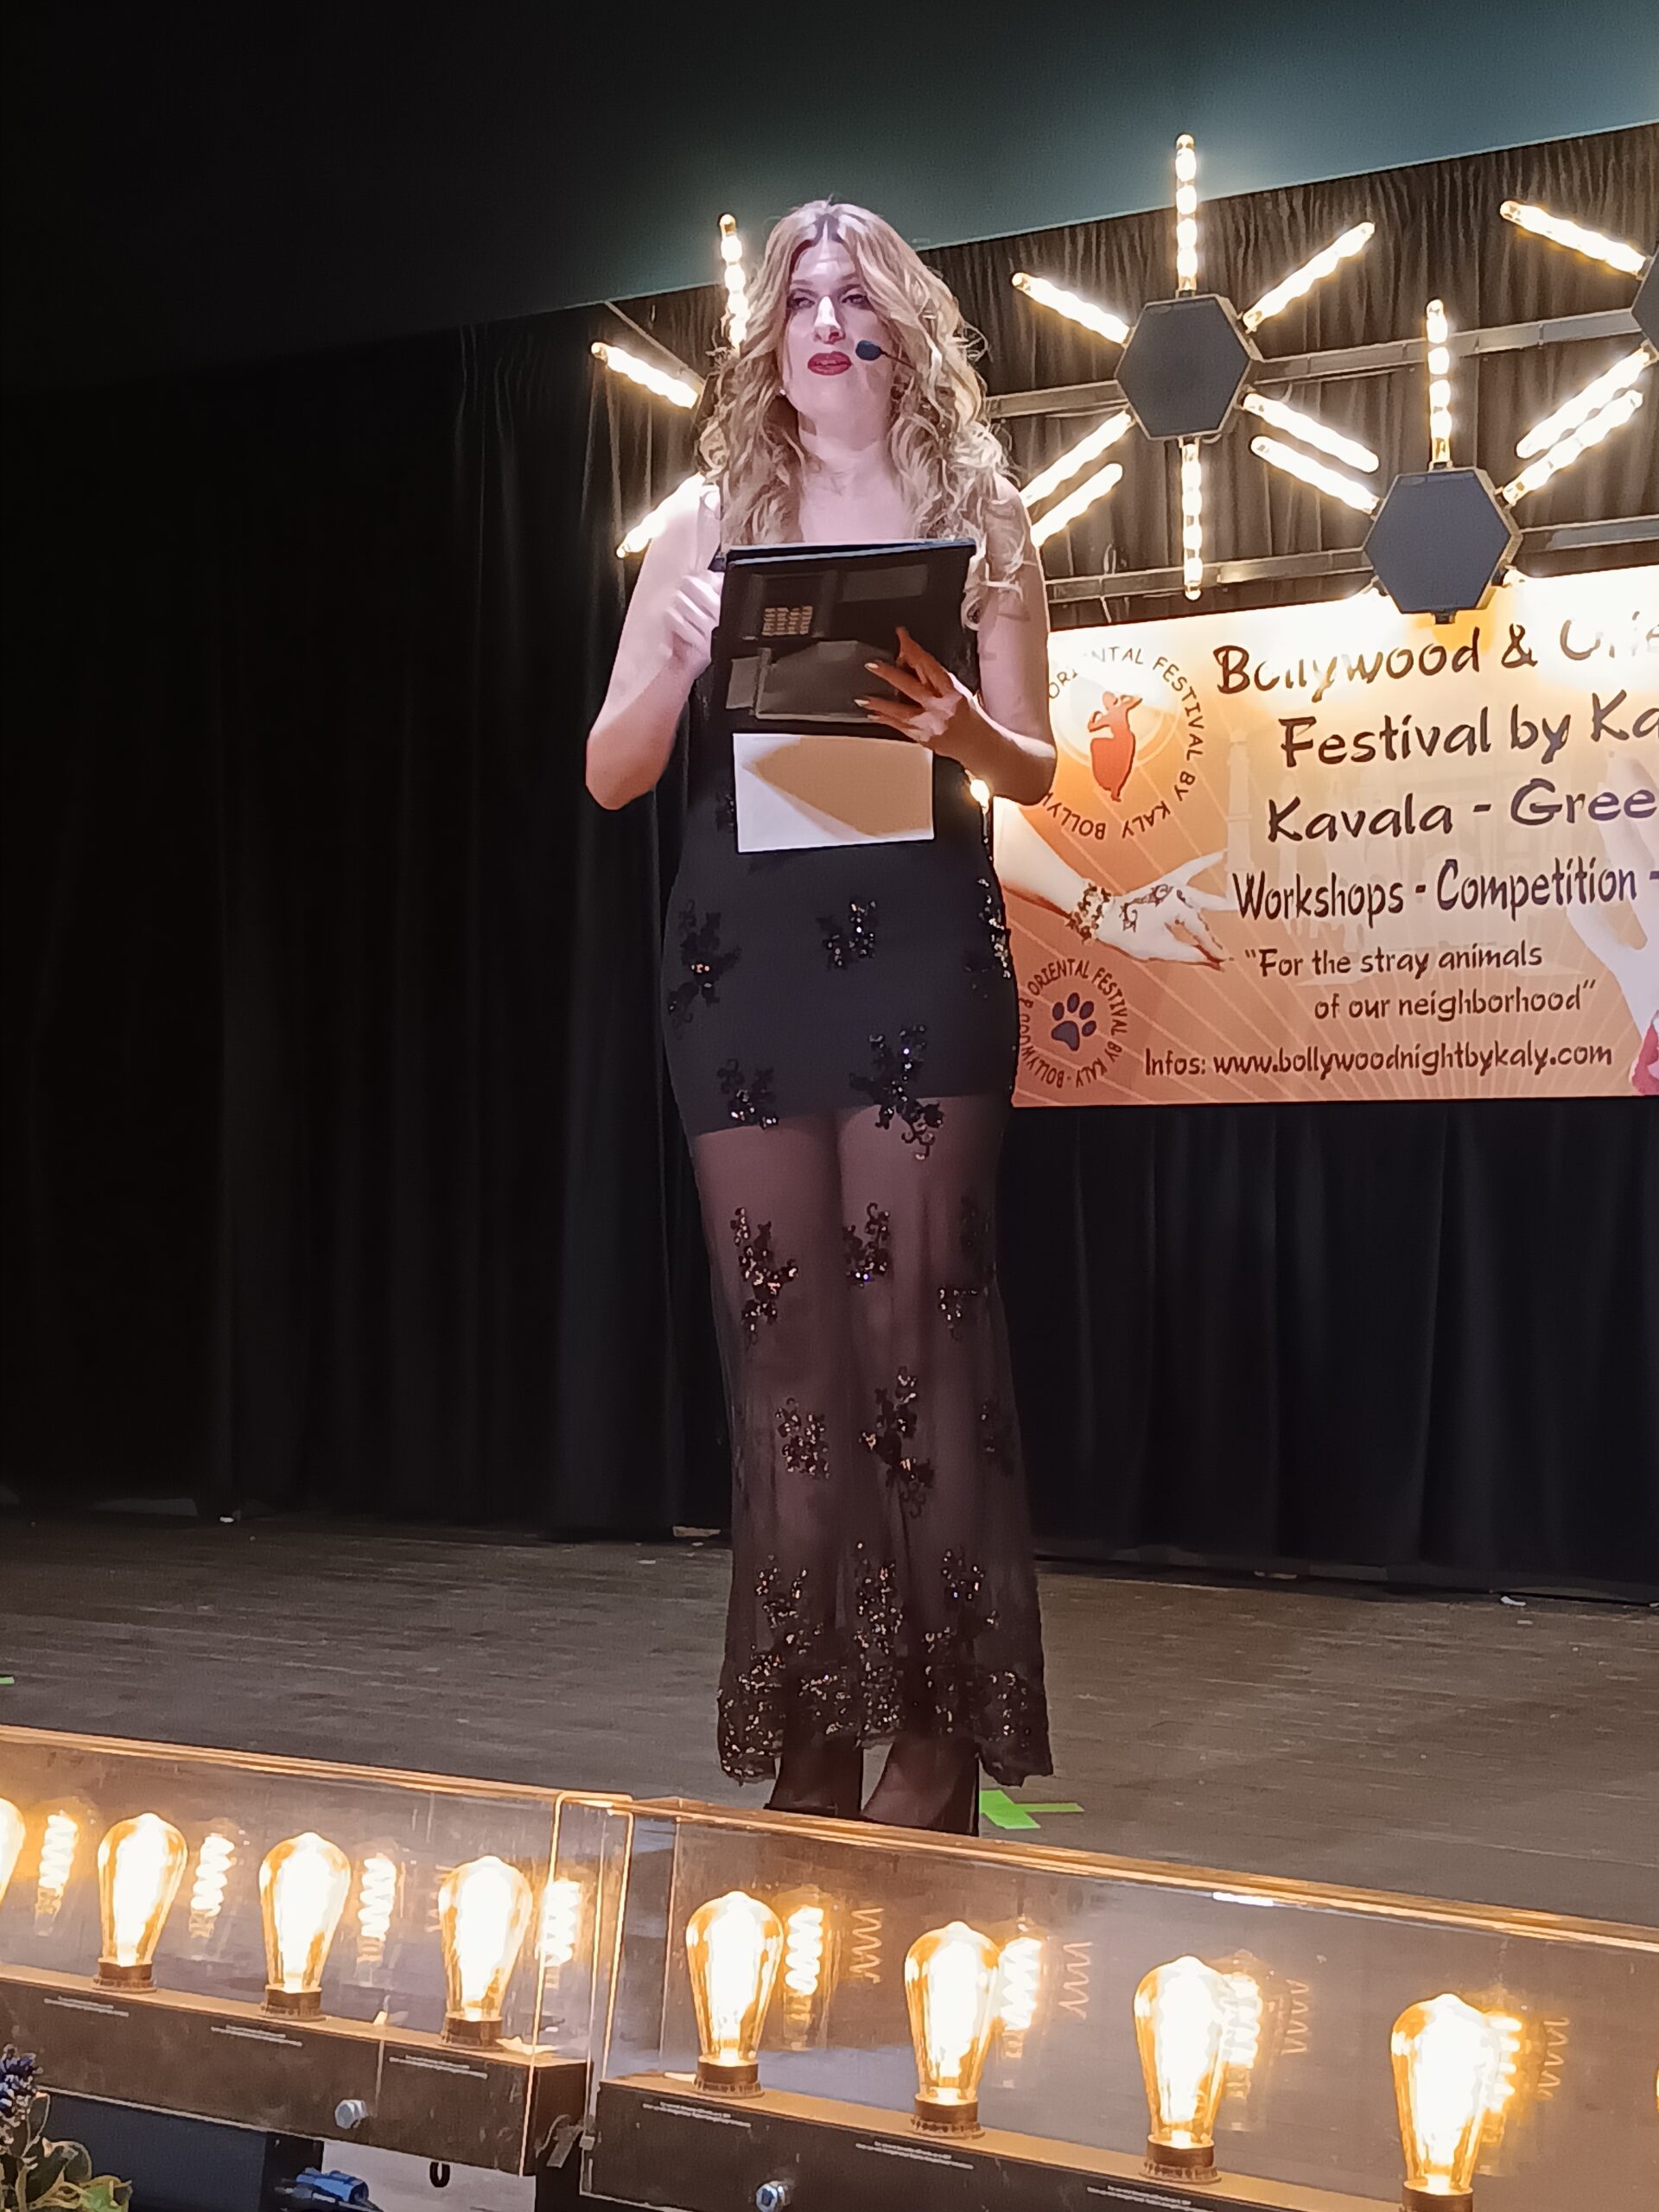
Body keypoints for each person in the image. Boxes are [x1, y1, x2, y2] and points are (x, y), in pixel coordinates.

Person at [586, 200, 1055, 1830]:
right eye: (801, 299)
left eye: (856, 296)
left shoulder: (981, 511)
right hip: (746, 962)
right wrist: (673, 660)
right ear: (770, 341)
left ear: (902, 329)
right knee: (786, 1355)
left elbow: (1035, 768)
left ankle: (934, 1737)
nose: (829, 321)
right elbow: (612, 771)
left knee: (914, 1337)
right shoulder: (706, 518)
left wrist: (961, 728)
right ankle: (812, 1728)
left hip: (920, 942)